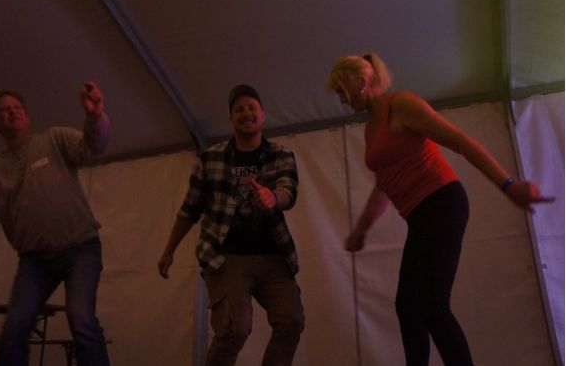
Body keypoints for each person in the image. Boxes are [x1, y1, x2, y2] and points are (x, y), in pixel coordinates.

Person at [326, 53, 554, 366]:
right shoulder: (370, 129)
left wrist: (508, 185)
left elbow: (460, 142)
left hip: (442, 203)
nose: (341, 100)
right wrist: (361, 229)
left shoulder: (401, 105)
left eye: (342, 90)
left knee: (432, 303)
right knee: (408, 305)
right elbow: (384, 184)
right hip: (420, 216)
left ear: (360, 81)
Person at [0, 83, 111, 366]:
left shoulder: (53, 140)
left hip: (81, 250)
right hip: (35, 261)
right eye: (4, 110)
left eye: (17, 107)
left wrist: (95, 117)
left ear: (26, 115)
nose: (13, 112)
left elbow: (92, 148)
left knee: (81, 319)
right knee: (14, 331)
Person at [158, 84, 305, 366]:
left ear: (263, 115)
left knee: (292, 321)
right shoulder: (210, 158)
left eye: (251, 107)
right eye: (239, 109)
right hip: (226, 258)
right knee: (234, 329)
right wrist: (169, 250)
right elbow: (190, 208)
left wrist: (273, 197)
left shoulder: (281, 155)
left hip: (273, 256)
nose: (246, 113)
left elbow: (289, 191)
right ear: (231, 119)